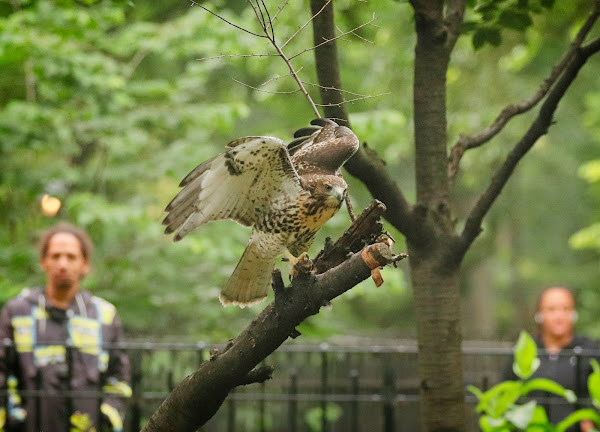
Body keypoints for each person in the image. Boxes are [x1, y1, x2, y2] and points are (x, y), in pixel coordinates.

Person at [0, 222, 131, 432]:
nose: (62, 264)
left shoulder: (103, 314)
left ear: (85, 263)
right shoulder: (17, 311)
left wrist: (106, 417)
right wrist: (14, 419)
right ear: (43, 262)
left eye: (71, 257)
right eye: (55, 256)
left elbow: (119, 375)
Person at [503, 286, 598, 432]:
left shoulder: (589, 349)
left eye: (566, 309)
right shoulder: (525, 349)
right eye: (551, 309)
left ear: (574, 313)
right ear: (539, 314)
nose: (559, 316)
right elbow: (506, 395)